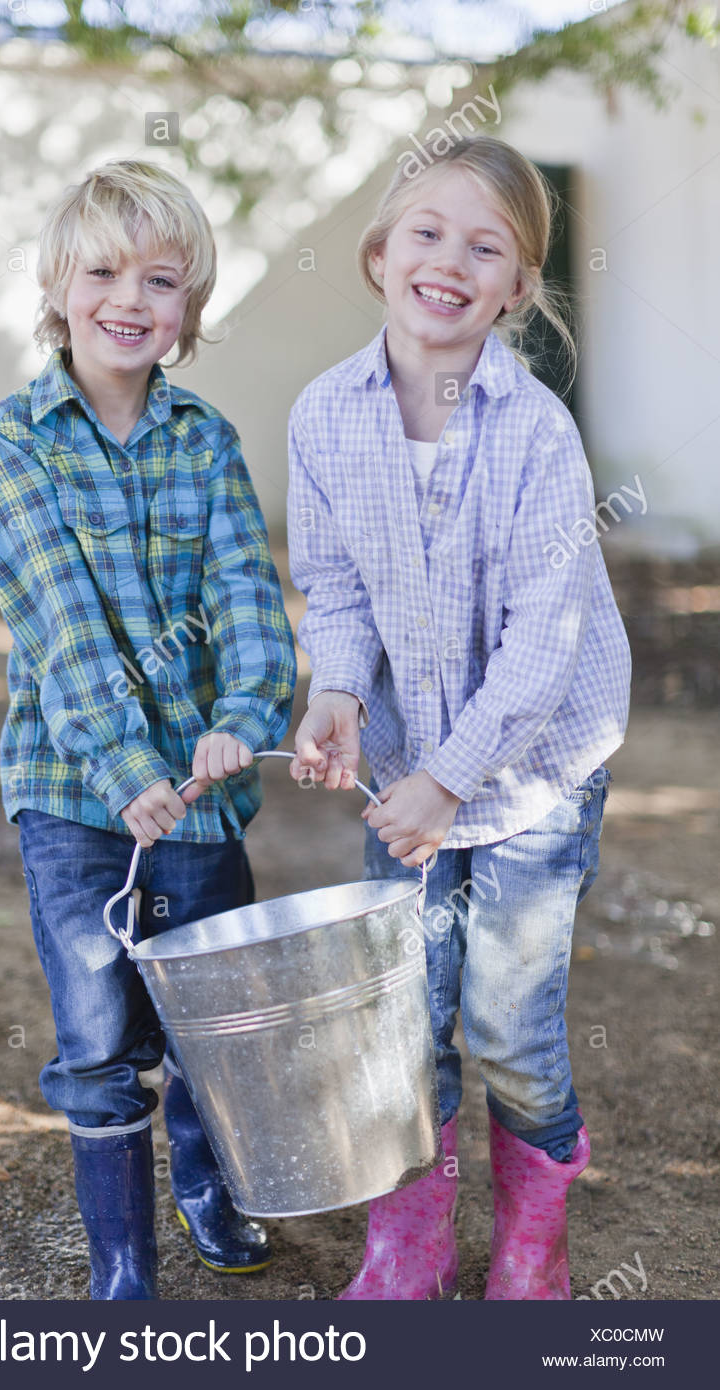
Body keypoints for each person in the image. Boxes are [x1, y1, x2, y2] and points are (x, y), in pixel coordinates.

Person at [287, 135, 630, 1300]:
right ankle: (410, 1244)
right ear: (381, 255)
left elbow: (546, 642)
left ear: (516, 288)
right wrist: (335, 688)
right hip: (399, 773)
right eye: (426, 233)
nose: (450, 260)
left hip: (533, 767)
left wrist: (450, 779)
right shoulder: (323, 416)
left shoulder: (536, 434)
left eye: (485, 247)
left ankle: (534, 1240)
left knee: (508, 1025)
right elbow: (332, 589)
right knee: (404, 1018)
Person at [0, 159, 296, 1299]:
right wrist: (122, 766)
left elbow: (248, 595)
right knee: (99, 1033)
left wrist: (240, 717)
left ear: (189, 310)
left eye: (161, 279)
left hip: (199, 800)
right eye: (102, 270)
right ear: (58, 289)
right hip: (73, 794)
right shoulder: (15, 440)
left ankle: (209, 1188)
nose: (130, 297)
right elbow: (56, 621)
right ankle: (123, 1263)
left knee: (211, 1022)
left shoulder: (205, 440)